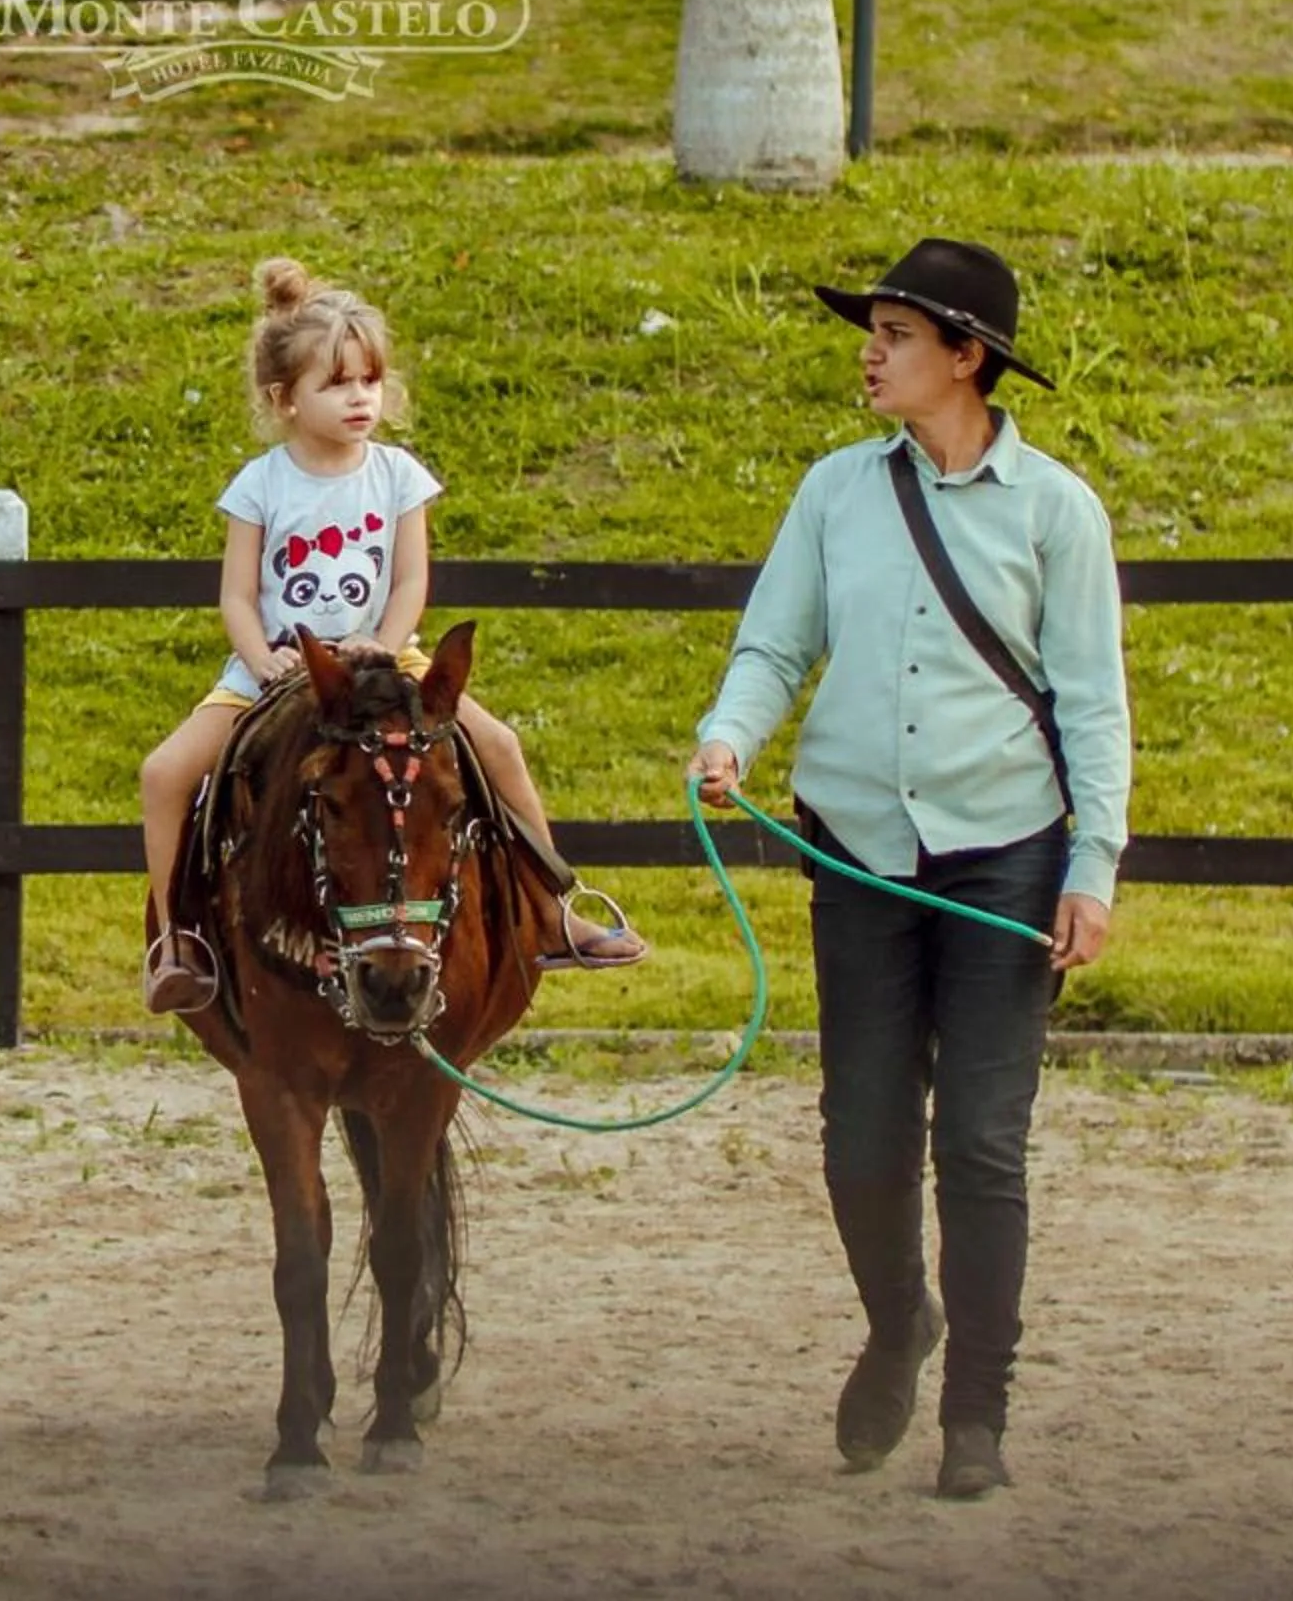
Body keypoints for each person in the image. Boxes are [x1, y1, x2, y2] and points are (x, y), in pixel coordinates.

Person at [686, 238, 1130, 1502]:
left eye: (894, 333)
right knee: (862, 1141)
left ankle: (975, 1415)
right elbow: (776, 645)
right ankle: (899, 1325)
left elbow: (1095, 704)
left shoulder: (1059, 511)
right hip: (863, 855)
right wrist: (731, 734)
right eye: (871, 330)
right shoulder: (834, 490)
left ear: (967, 358)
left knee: (983, 1144)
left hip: (1008, 861)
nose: (869, 353)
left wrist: (1091, 862)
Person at [140, 258, 649, 1015]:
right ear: (285, 400)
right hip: (278, 667)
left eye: (369, 381)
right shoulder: (262, 484)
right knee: (164, 772)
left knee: (499, 745)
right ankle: (180, 938)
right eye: (338, 383)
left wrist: (385, 639)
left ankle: (553, 908)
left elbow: (410, 580)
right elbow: (239, 596)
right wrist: (261, 659)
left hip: (389, 657)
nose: (359, 399)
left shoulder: (399, 476)